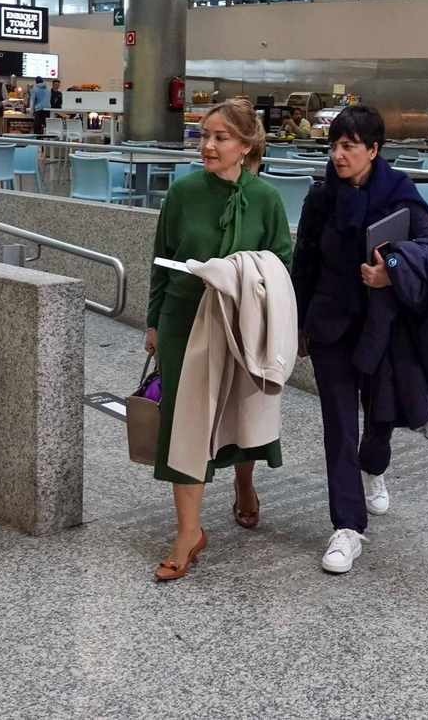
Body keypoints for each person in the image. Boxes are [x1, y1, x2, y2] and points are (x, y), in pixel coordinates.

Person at [291, 105, 428, 574]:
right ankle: (347, 527)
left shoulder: (401, 195)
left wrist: (390, 274)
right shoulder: (322, 196)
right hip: (330, 324)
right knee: (339, 423)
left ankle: (374, 464)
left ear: (374, 150)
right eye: (334, 146)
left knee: (379, 419)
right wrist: (298, 322)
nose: (338, 156)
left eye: (349, 147)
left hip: (384, 327)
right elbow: (305, 261)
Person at [144, 100, 292, 581]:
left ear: (246, 145)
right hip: (184, 318)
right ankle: (189, 532)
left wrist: (246, 280)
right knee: (184, 423)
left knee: (239, 410)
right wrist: (152, 321)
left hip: (243, 321)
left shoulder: (266, 198)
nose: (207, 145)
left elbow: (281, 265)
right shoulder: (183, 193)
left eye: (221, 137)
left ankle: (244, 484)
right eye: (203, 135)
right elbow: (161, 256)